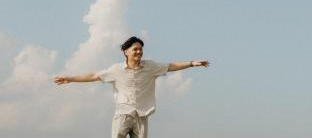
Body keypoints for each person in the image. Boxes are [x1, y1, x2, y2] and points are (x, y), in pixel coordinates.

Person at [53, 35, 209, 138]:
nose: (139, 51)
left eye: (140, 49)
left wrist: (191, 63)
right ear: (125, 52)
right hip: (123, 114)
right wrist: (70, 79)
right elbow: (94, 76)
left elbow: (171, 66)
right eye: (135, 49)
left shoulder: (151, 67)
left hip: (142, 114)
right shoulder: (116, 69)